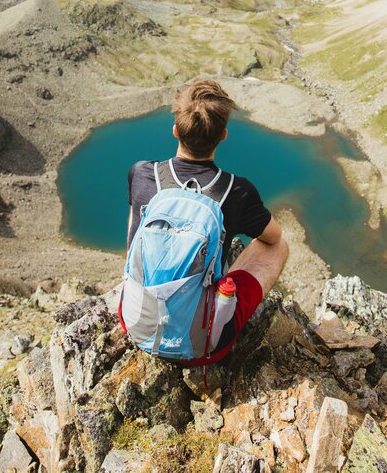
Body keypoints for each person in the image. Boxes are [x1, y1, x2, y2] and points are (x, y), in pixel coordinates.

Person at [122, 78, 289, 366]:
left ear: (175, 130)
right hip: (203, 347)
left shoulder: (142, 174)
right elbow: (273, 237)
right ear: (223, 135)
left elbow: (132, 243)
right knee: (279, 246)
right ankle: (213, 302)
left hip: (136, 325)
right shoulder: (237, 191)